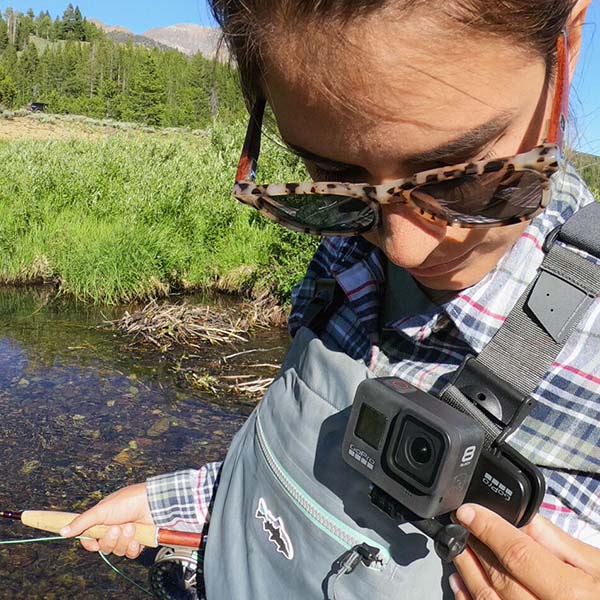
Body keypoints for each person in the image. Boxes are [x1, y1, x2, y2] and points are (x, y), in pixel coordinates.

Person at [60, 1, 600, 598]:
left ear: (568, 41)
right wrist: (182, 503)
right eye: (333, 181)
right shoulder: (348, 254)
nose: (402, 248)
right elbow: (313, 471)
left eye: (460, 177)